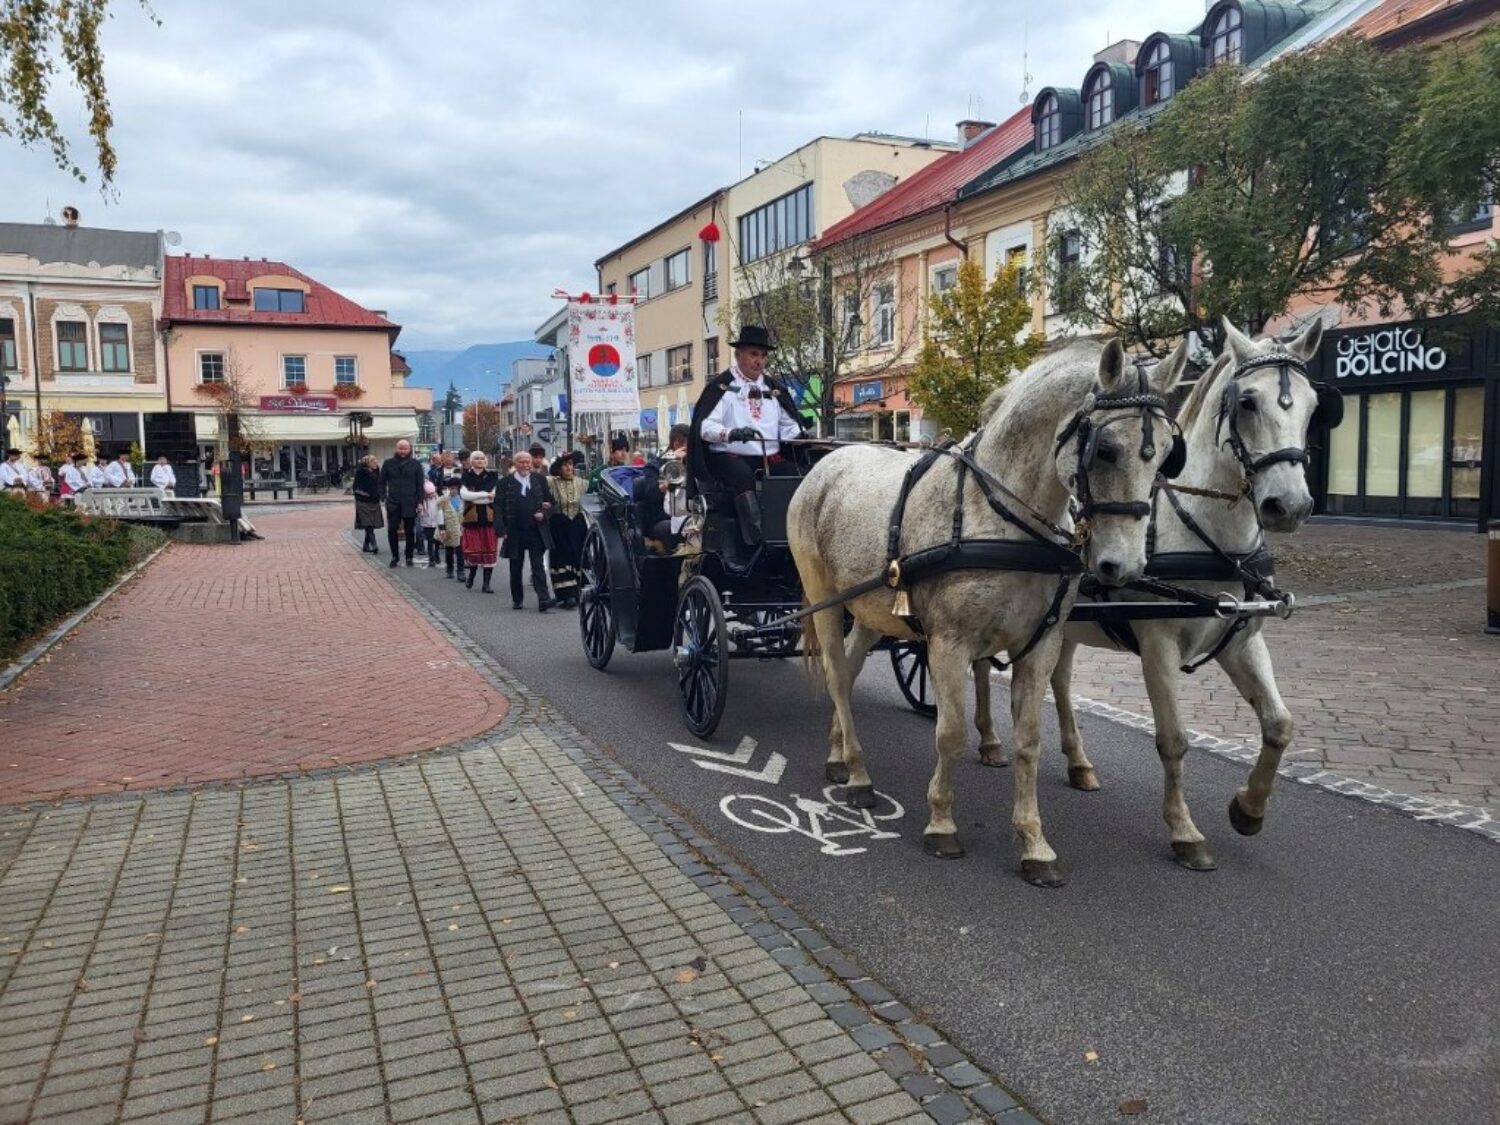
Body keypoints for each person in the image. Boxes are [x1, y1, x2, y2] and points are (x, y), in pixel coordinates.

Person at [692, 324, 807, 545]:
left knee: (796, 473)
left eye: (763, 356)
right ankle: (757, 539)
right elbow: (706, 428)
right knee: (743, 476)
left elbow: (788, 427)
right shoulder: (722, 388)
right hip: (729, 456)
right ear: (738, 354)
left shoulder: (774, 389)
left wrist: (801, 435)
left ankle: (792, 532)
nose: (759, 361)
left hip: (766, 456)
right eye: (754, 354)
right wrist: (731, 433)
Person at [498, 450, 554, 611]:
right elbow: (498, 507)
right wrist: (501, 529)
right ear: (515, 464)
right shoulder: (505, 483)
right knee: (515, 567)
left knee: (538, 566)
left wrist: (543, 513)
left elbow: (550, 502)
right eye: (522, 462)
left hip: (535, 530)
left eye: (527, 462)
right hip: (514, 530)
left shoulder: (540, 480)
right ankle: (517, 599)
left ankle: (544, 599)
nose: (525, 465)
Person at [633, 424, 692, 551]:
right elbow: (651, 493)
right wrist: (673, 465)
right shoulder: (654, 466)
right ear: (677, 446)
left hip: (687, 513)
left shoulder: (690, 464)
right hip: (660, 518)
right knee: (673, 529)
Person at [547, 454, 588, 608]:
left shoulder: (583, 483)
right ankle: (565, 595)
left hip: (577, 522)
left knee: (578, 554)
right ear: (559, 468)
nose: (568, 468)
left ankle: (578, 591)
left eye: (570, 464)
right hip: (559, 523)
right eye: (564, 465)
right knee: (561, 556)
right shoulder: (551, 482)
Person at [379, 439, 426, 568]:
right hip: (393, 502)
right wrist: (383, 496)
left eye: (405, 448)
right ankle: (395, 556)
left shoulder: (416, 464)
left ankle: (409, 556)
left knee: (410, 531)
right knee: (392, 529)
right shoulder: (388, 463)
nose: (403, 451)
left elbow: (419, 485)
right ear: (396, 449)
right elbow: (381, 482)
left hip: (410, 502)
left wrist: (420, 501)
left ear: (409, 449)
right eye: (400, 448)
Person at [459, 451, 501, 592]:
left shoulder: (493, 476)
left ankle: (486, 584)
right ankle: (471, 575)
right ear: (471, 461)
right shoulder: (466, 476)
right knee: (473, 551)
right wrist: (485, 495)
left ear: (486, 461)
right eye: (476, 458)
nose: (479, 461)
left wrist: (477, 497)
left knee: (489, 550)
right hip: (472, 519)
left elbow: (495, 495)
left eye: (482, 458)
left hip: (489, 518)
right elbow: (465, 495)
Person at [352, 454, 383, 553]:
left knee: (372, 523)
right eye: (373, 461)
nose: (376, 463)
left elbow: (379, 484)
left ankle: (366, 545)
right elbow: (356, 487)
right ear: (368, 463)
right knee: (367, 523)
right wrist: (364, 494)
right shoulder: (361, 472)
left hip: (374, 501)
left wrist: (380, 494)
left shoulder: (377, 471)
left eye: (376, 461)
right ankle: (374, 544)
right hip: (363, 501)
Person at [440, 476, 464, 578]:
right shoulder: (444, 500)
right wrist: (442, 528)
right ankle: (449, 570)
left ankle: (460, 571)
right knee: (449, 549)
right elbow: (440, 514)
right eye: (451, 488)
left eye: (456, 488)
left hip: (460, 527)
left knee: (460, 551)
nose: (454, 490)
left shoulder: (463, 499)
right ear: (448, 488)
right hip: (449, 527)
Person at [417, 480, 443, 567]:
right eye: (429, 494)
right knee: (429, 541)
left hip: (436, 523)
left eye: (432, 493)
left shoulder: (438, 499)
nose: (431, 495)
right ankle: (431, 558)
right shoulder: (423, 501)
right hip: (427, 524)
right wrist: (420, 510)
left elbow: (441, 510)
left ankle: (436, 555)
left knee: (437, 541)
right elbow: (421, 514)